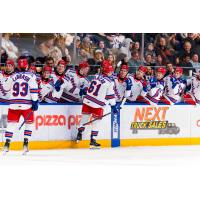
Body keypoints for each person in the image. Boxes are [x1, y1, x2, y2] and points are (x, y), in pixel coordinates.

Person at [76, 60, 118, 148]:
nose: (111, 72)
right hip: (97, 104)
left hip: (87, 101)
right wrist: (113, 106)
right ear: (108, 72)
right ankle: (93, 141)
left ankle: (79, 134)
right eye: (110, 71)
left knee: (84, 119)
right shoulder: (110, 82)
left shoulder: (96, 76)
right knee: (96, 123)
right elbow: (110, 96)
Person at [2, 58, 39, 155]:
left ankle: (6, 145)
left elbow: (5, 88)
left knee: (11, 125)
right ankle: (26, 143)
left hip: (13, 104)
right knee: (29, 124)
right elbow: (34, 90)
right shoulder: (31, 76)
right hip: (26, 105)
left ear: (18, 66)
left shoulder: (13, 76)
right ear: (27, 66)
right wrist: (35, 101)